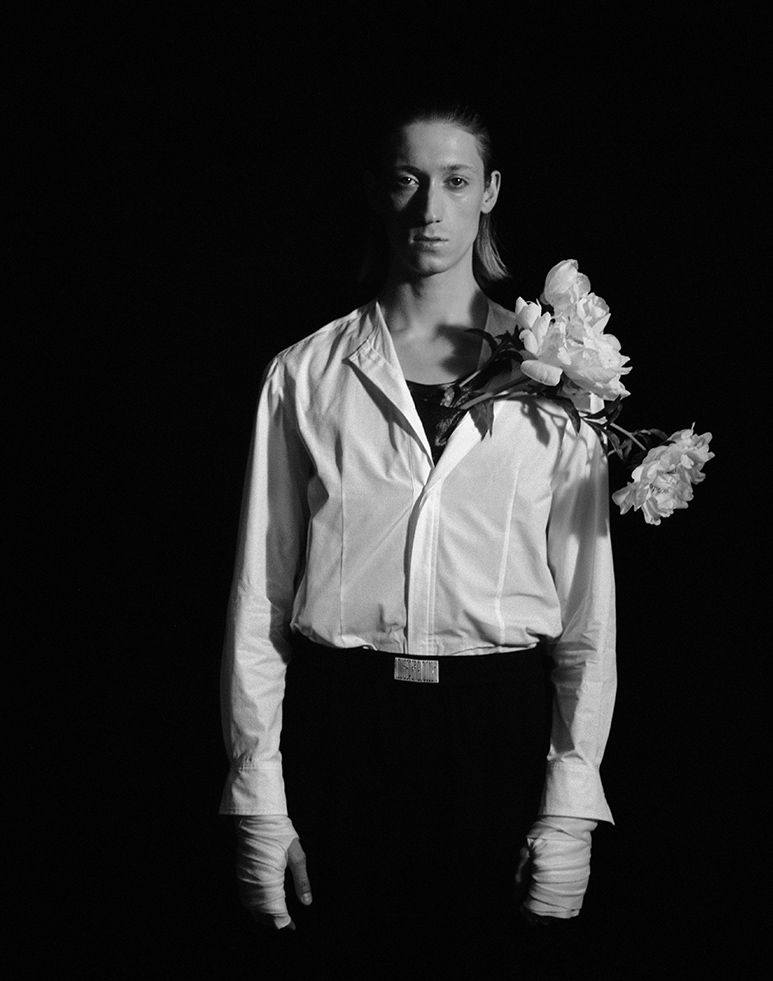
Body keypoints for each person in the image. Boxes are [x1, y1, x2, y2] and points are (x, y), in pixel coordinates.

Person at [219, 102, 617, 971]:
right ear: (376, 190)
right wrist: (259, 797)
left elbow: (589, 616)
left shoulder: (559, 379)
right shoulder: (305, 374)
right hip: (342, 731)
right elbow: (260, 595)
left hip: (499, 736)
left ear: (490, 192)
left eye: (455, 181)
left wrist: (571, 803)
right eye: (407, 179)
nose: (430, 209)